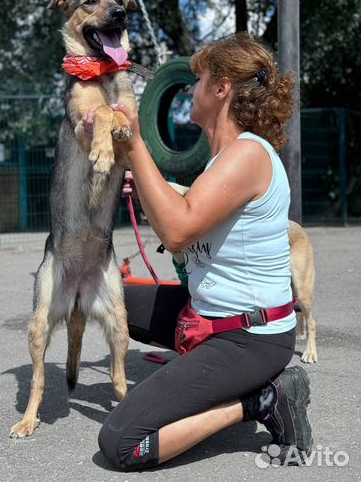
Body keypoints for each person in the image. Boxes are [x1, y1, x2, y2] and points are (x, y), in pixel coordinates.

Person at [82, 32, 312, 471]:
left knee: (120, 443)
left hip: (249, 339)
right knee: (107, 299)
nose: (190, 88)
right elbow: (184, 217)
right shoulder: (220, 159)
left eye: (200, 79)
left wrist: (132, 145)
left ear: (222, 88)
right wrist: (149, 189)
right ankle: (212, 379)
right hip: (209, 313)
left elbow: (177, 231)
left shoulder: (248, 155)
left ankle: (262, 398)